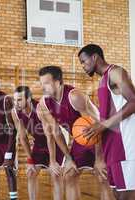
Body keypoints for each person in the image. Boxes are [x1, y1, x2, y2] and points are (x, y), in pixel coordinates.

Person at [37, 66, 115, 200]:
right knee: (69, 174)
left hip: (102, 136)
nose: (43, 87)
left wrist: (99, 159)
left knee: (102, 176)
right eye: (41, 83)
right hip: (82, 139)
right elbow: (56, 133)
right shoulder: (44, 104)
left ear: (58, 82)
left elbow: (96, 126)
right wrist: (67, 158)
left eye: (46, 83)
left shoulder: (74, 96)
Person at [78, 44, 135, 200]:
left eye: (84, 61)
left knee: (126, 195)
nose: (83, 66)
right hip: (113, 147)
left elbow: (134, 102)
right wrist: (100, 156)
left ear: (95, 57)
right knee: (117, 193)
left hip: (126, 145)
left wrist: (103, 125)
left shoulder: (116, 72)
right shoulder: (103, 80)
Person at [11, 86, 64, 200]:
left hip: (55, 143)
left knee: (55, 174)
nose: (16, 103)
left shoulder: (40, 109)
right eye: (14, 100)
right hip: (39, 144)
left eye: (19, 100)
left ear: (29, 99)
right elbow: (22, 137)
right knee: (31, 173)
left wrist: (53, 161)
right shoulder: (15, 112)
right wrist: (30, 160)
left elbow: (50, 136)